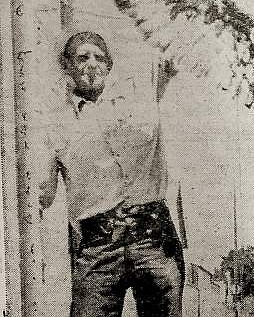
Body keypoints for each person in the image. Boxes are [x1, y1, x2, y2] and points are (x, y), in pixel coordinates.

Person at [38, 31, 184, 317]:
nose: (92, 64)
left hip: (153, 238)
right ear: (66, 66)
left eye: (99, 57)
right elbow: (42, 195)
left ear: (109, 66)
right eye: (82, 57)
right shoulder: (54, 125)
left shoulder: (139, 98)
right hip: (97, 247)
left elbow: (174, 52)